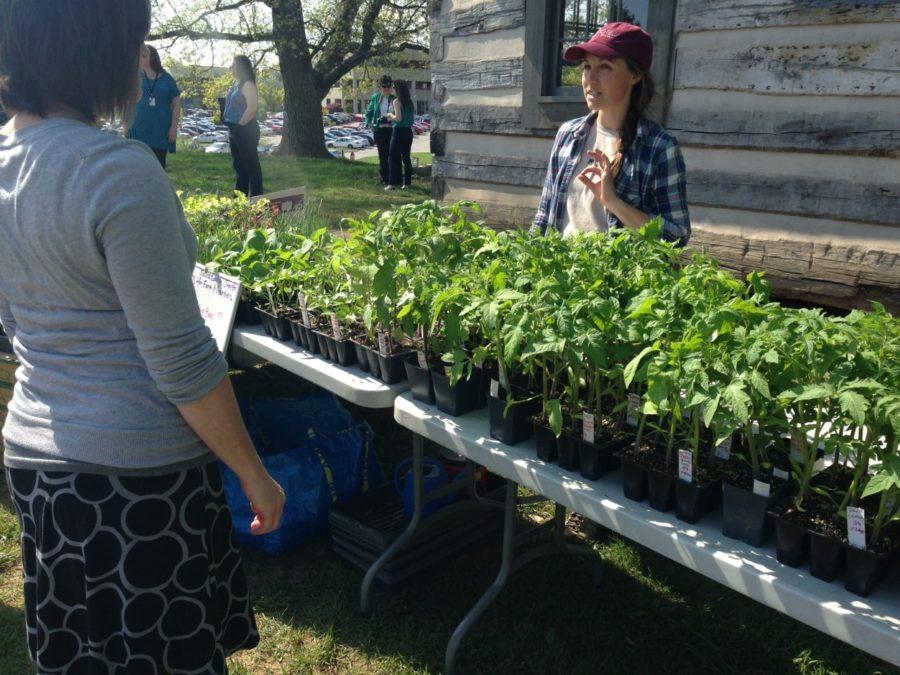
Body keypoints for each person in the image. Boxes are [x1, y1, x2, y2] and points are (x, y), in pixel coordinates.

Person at [0, 2, 285, 672]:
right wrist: (255, 474)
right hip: (136, 482)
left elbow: (13, 327)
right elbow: (182, 360)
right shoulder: (118, 170)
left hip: (38, 467)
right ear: (96, 48)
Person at [531, 23, 690, 246]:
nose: (590, 79)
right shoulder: (567, 135)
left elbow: (677, 237)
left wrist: (613, 202)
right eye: (587, 66)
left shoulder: (659, 148)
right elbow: (543, 216)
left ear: (634, 75)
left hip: (614, 278)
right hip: (559, 276)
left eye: (605, 67)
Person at [126, 44, 181, 169]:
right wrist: (126, 123)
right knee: (137, 166)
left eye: (144, 55)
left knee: (158, 166)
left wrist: (173, 128)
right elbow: (128, 101)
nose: (140, 58)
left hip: (160, 131)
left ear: (152, 58)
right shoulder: (135, 77)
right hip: (138, 128)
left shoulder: (167, 79)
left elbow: (177, 105)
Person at [224, 55, 264, 197]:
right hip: (235, 130)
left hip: (245, 129)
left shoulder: (248, 84)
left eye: (234, 65)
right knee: (240, 168)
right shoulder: (236, 84)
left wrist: (239, 127)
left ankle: (257, 201)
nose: (231, 67)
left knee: (251, 168)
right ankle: (239, 201)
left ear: (241, 67)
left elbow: (252, 108)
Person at [364, 74, 395, 184]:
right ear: (380, 87)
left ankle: (393, 178)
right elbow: (369, 112)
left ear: (391, 86)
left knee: (392, 155)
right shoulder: (375, 98)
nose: (386, 88)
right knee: (382, 155)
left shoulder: (395, 99)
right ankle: (384, 178)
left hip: (392, 130)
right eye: (384, 86)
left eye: (388, 86)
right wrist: (369, 123)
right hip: (380, 130)